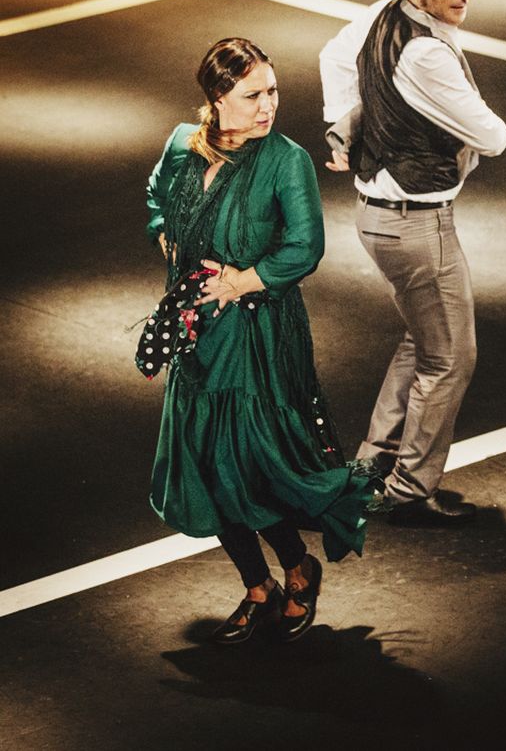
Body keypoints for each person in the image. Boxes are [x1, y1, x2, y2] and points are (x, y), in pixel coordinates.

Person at [146, 38, 369, 645]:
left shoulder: (286, 160)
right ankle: (257, 586)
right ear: (217, 100)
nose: (268, 105)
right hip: (197, 333)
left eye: (272, 90)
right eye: (252, 95)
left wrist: (240, 281)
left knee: (247, 465)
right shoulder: (181, 146)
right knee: (205, 466)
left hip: (256, 332)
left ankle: (298, 567)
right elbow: (157, 203)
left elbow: (305, 246)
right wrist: (172, 246)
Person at [319, 0, 506, 523]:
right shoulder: (426, 53)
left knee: (424, 341)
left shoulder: (385, 13)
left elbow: (333, 55)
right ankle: (407, 489)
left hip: (381, 218)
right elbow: (494, 136)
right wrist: (368, 117)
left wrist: (345, 119)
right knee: (452, 358)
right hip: (417, 227)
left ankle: (372, 462)